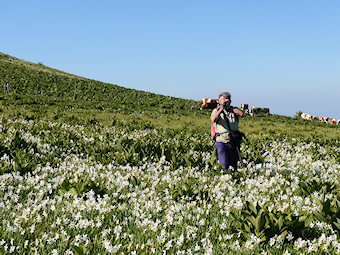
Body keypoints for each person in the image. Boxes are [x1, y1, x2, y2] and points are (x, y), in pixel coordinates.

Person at [210, 92, 244, 172]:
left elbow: (241, 114)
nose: (223, 102)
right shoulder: (216, 111)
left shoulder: (233, 110)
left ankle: (233, 178)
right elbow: (213, 119)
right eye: (221, 100)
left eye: (225, 100)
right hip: (222, 141)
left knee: (233, 164)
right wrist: (221, 108)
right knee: (224, 164)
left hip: (233, 141)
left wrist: (229, 107)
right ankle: (224, 178)